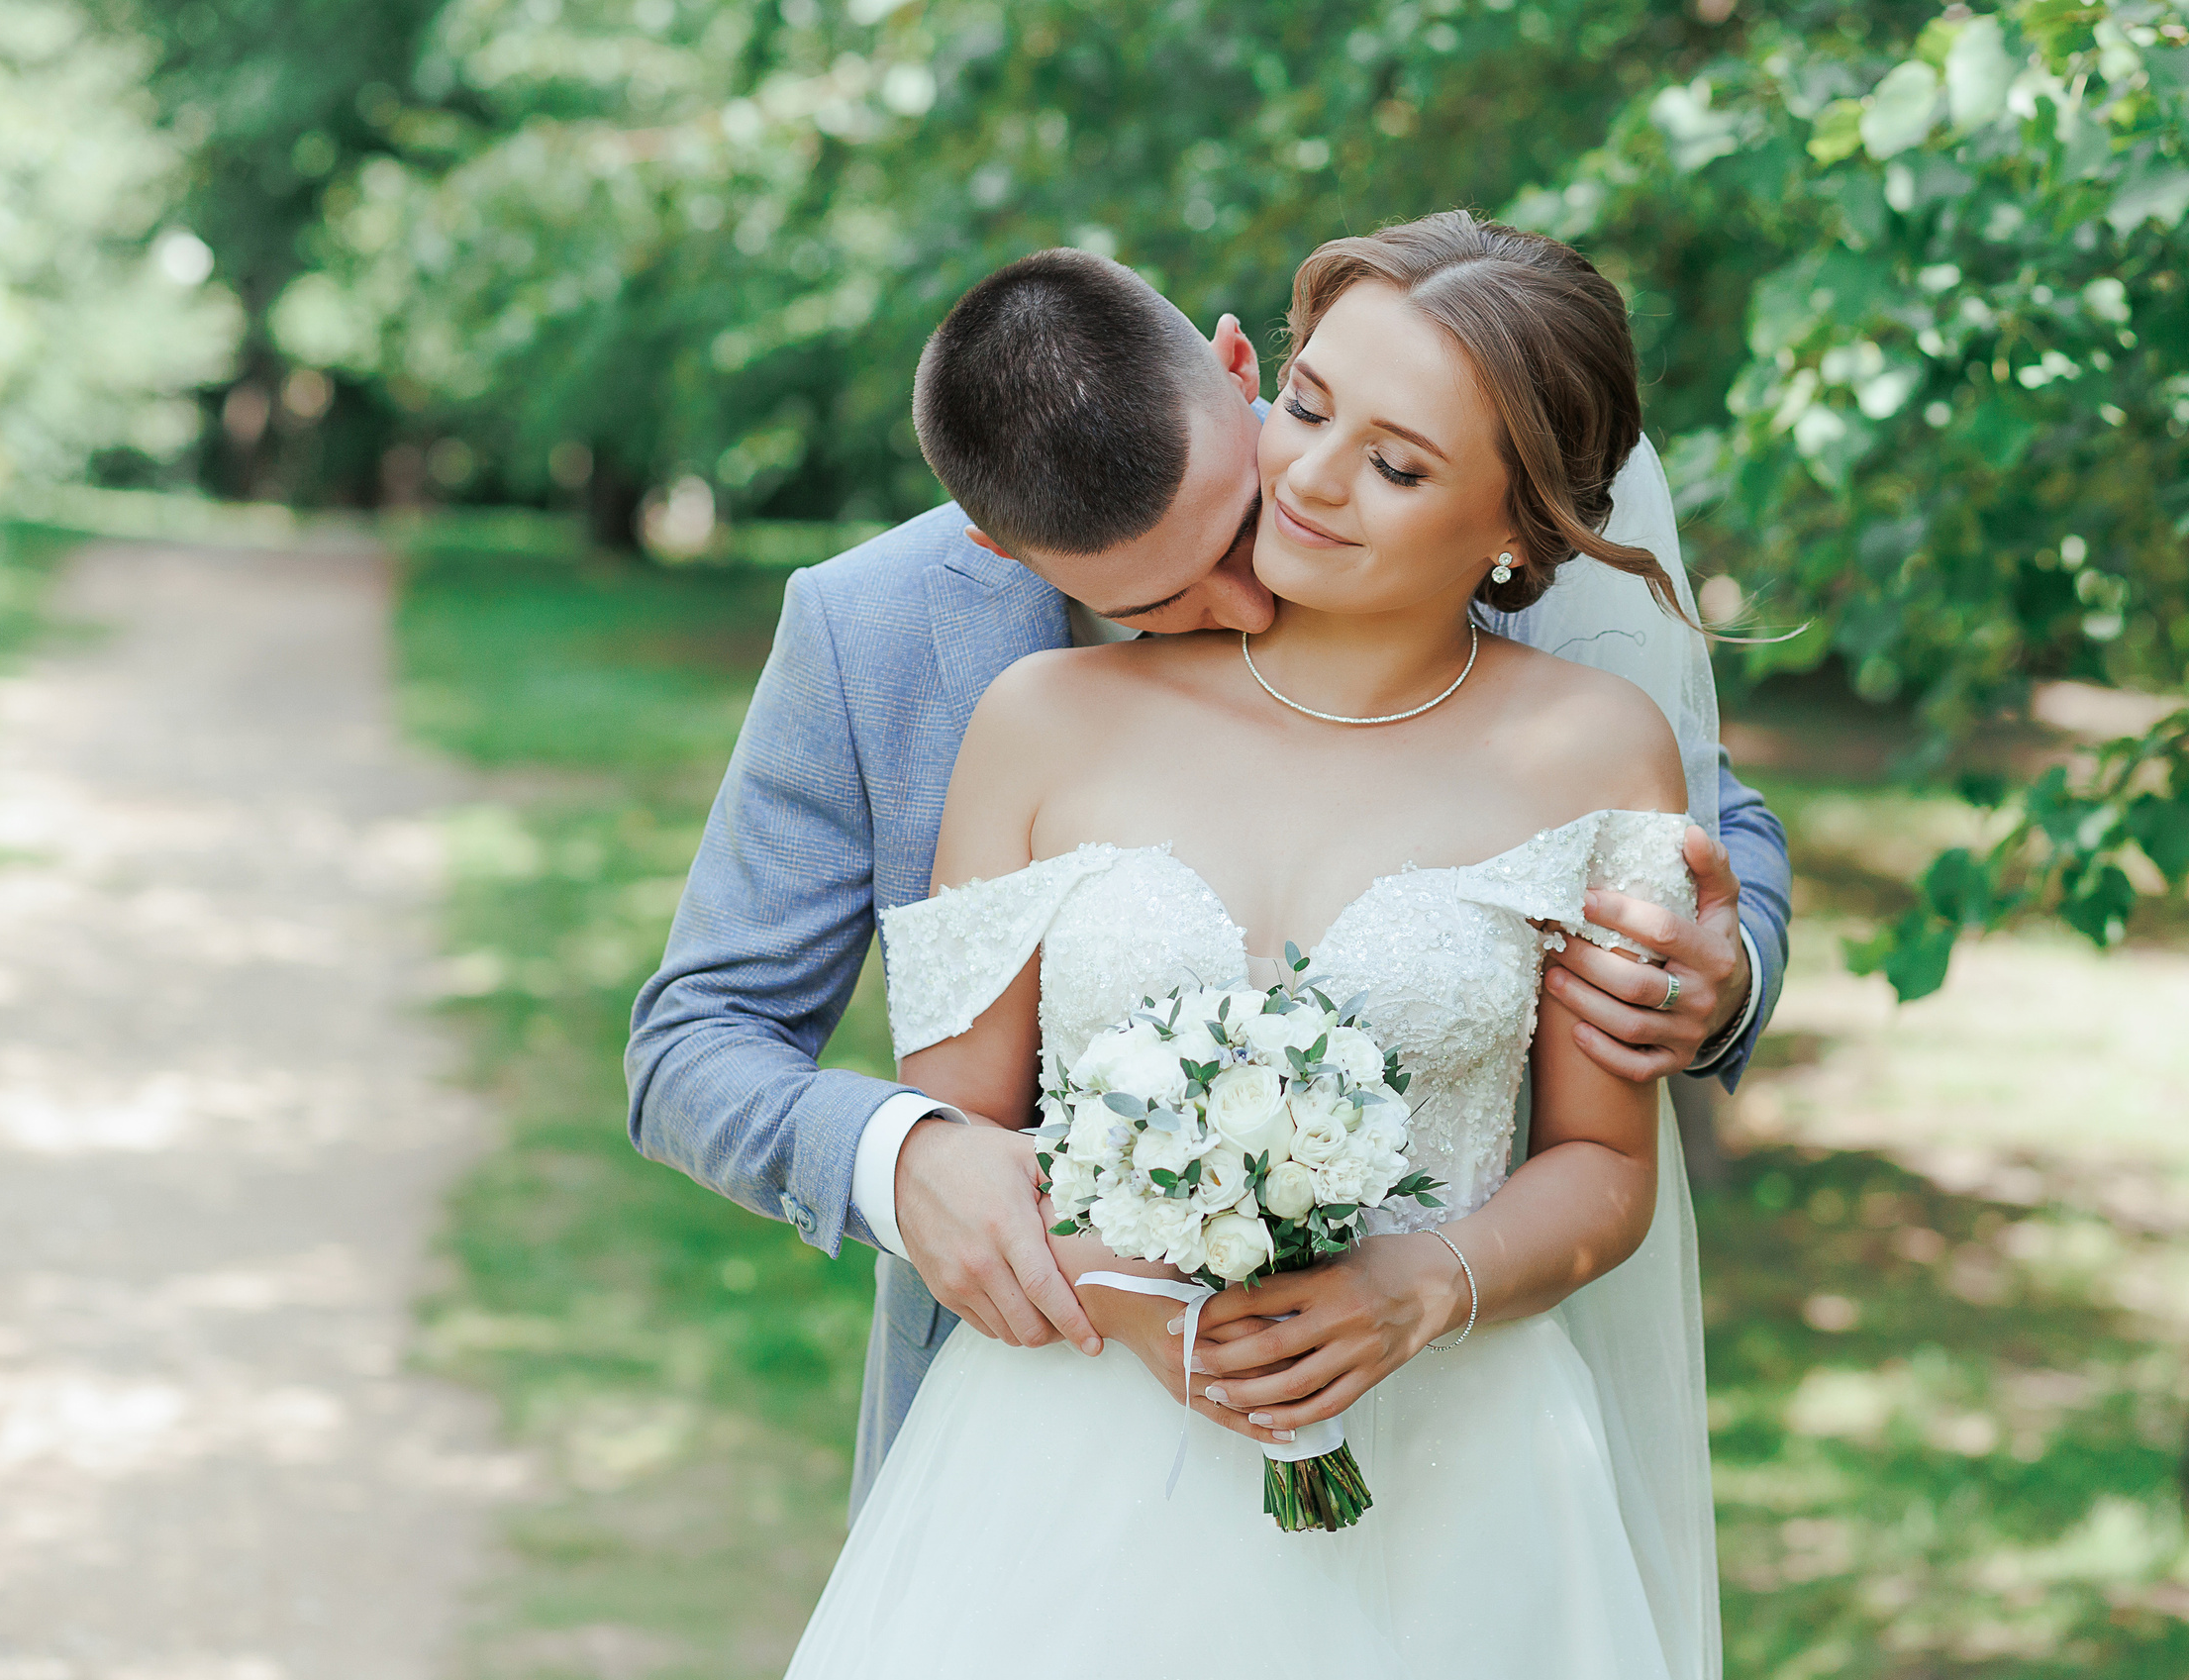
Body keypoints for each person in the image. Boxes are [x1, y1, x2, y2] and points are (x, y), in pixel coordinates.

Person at [624, 230, 1790, 1530]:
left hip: (1454, 1434)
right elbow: (693, 1039)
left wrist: (1722, 979)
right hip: (1061, 1414)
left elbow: (1700, 808)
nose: (1255, 594)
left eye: (1236, 523)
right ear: (1003, 548)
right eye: (1170, 599)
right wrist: (905, 1158)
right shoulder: (892, 639)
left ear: (1241, 366)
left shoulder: (1396, 447)